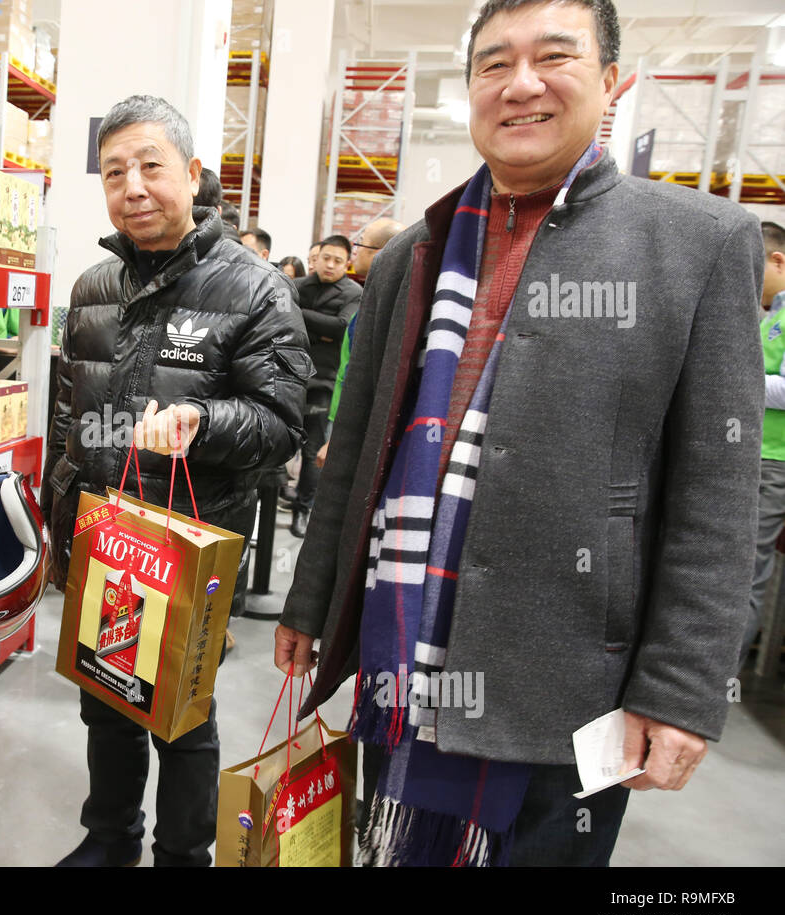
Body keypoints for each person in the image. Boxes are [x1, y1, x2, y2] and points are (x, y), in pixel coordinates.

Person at [275, 0, 764, 867]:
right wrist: (311, 602)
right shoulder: (410, 256)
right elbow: (354, 457)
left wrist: (684, 690)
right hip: (402, 652)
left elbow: (717, 495)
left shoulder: (697, 244)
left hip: (571, 679)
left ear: (613, 81)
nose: (521, 84)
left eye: (554, 57)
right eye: (494, 63)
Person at [43, 94, 309, 867]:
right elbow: (69, 414)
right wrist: (62, 511)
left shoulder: (255, 290)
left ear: (193, 174)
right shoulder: (92, 287)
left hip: (192, 543)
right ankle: (109, 837)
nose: (132, 186)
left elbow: (281, 425)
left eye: (151, 166)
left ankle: (184, 854)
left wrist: (202, 424)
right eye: (114, 170)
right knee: (106, 695)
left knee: (180, 711)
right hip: (103, 534)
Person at [316, 218, 404, 468]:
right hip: (340, 414)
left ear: (381, 252)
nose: (357, 250)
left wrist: (338, 439)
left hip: (351, 425)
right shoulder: (374, 297)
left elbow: (367, 377)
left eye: (361, 243)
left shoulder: (384, 306)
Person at [288, 235, 361, 537]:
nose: (330, 265)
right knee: (278, 443)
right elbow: (280, 319)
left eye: (337, 260)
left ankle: (302, 510)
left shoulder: (354, 292)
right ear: (315, 257)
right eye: (325, 258)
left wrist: (301, 317)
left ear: (347, 263)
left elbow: (343, 326)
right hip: (289, 376)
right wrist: (322, 329)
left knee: (312, 451)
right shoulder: (298, 286)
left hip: (323, 382)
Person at [741, 220, 785, 668]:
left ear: (779, 260)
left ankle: (711, 690)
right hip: (760, 456)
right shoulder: (774, 313)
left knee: (746, 575)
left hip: (775, 461)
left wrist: (736, 376)